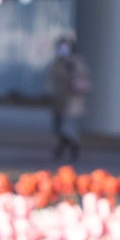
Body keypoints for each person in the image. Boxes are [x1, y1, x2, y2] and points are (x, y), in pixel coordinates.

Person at [45, 35, 89, 163]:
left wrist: (72, 69)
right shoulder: (56, 63)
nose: (62, 50)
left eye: (65, 47)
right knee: (58, 128)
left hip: (72, 100)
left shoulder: (76, 62)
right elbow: (51, 79)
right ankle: (63, 148)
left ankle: (69, 148)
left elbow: (83, 77)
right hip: (59, 100)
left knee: (67, 127)